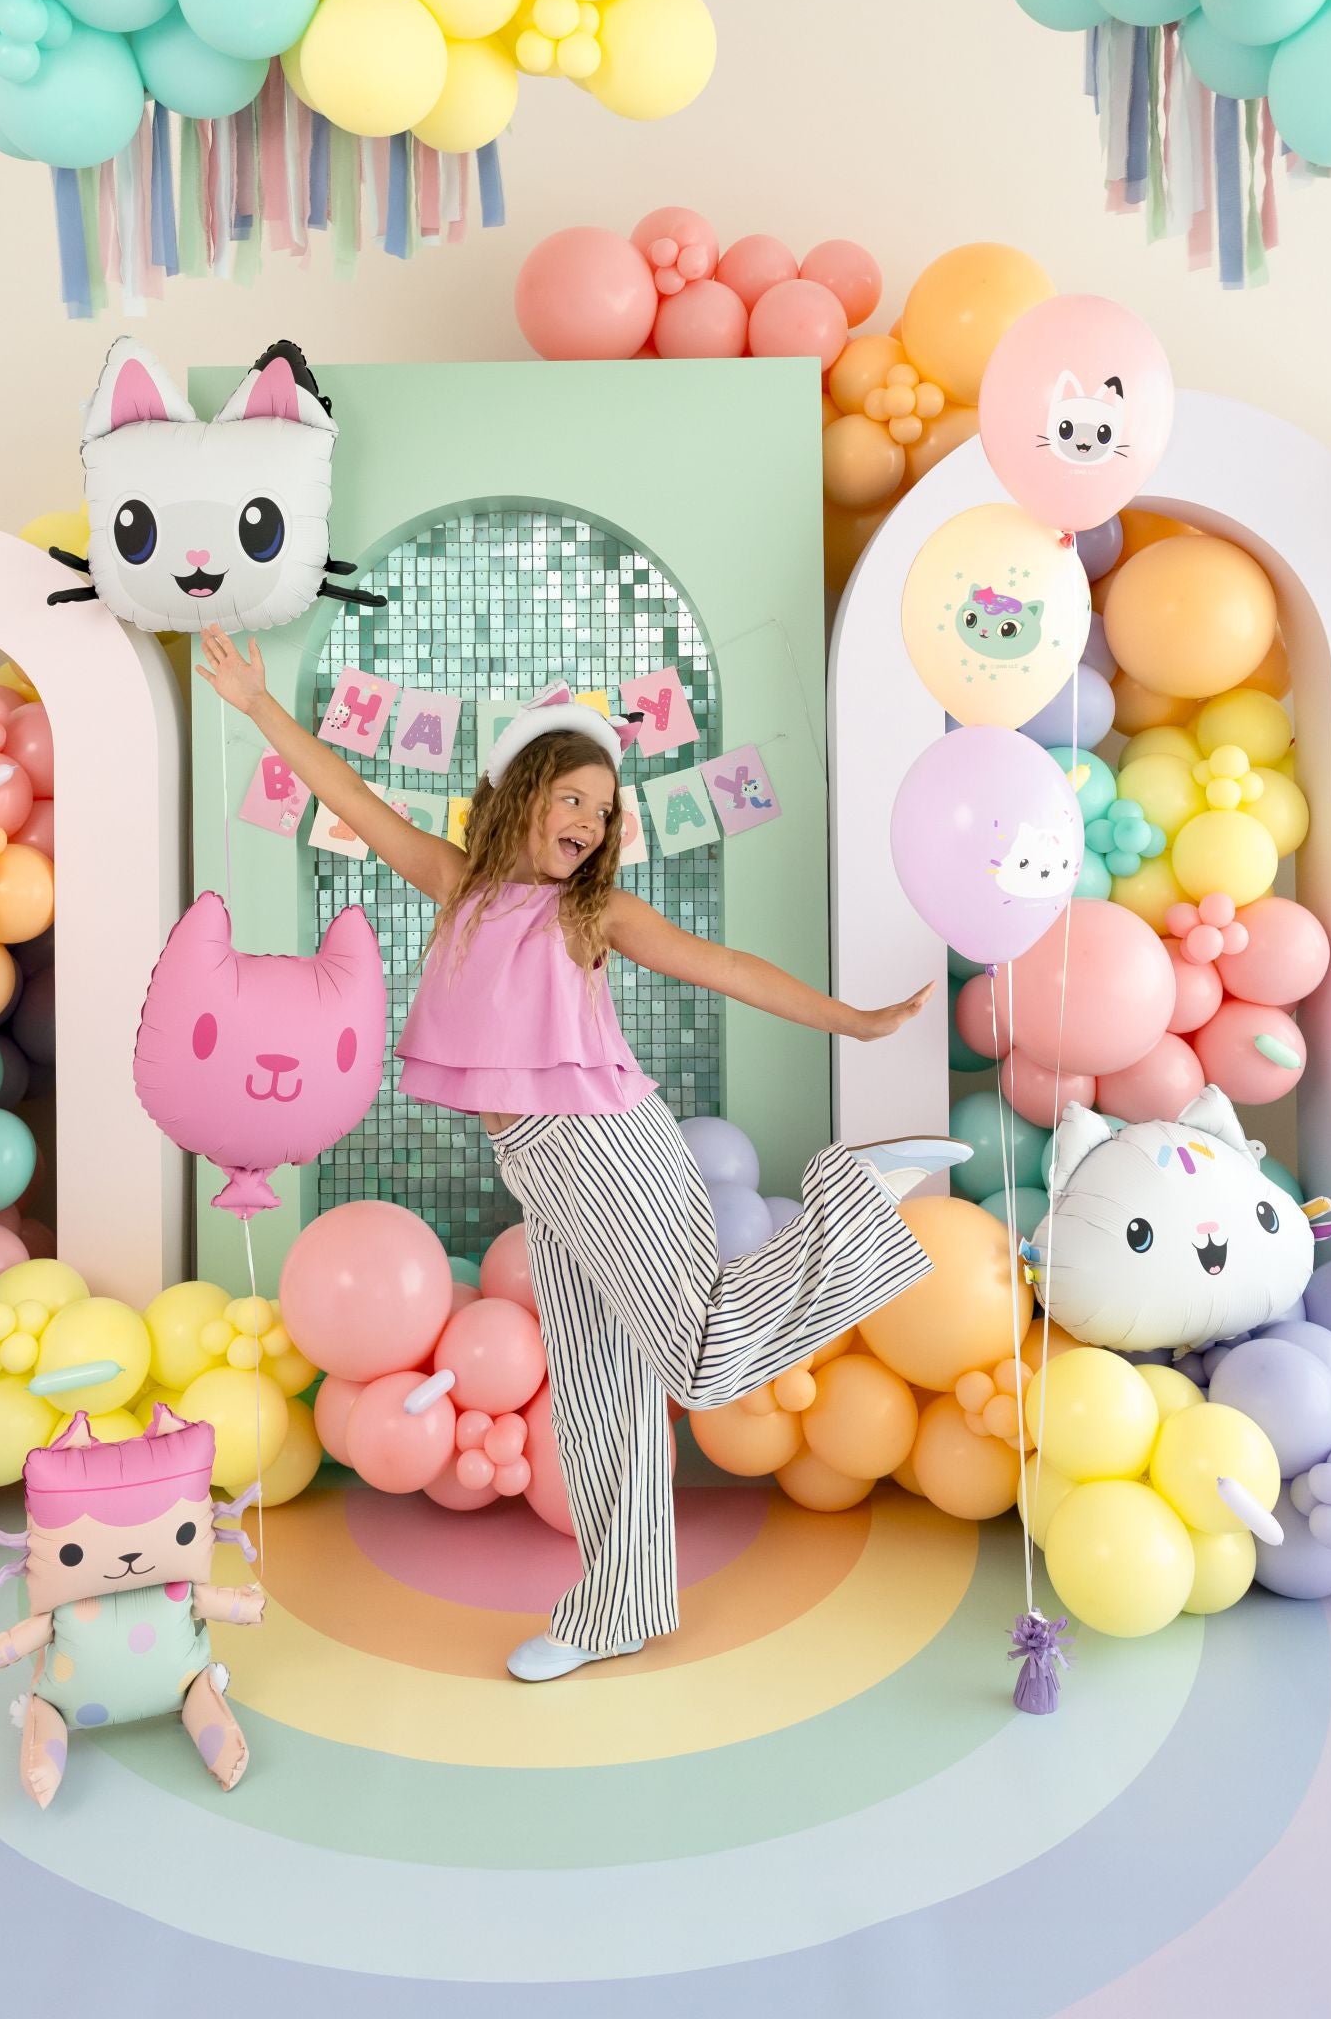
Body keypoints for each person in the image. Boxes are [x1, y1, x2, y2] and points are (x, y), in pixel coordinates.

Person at [197, 627, 941, 1683]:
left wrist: (852, 1023)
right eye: (575, 801)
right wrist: (256, 707)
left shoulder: (594, 914)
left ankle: (857, 1201)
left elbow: (724, 966)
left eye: (603, 809)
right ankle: (618, 1604)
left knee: (696, 1353)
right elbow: (353, 798)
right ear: (522, 795)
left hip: (604, 1141)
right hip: (540, 1166)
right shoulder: (459, 887)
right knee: (602, 1388)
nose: (591, 824)